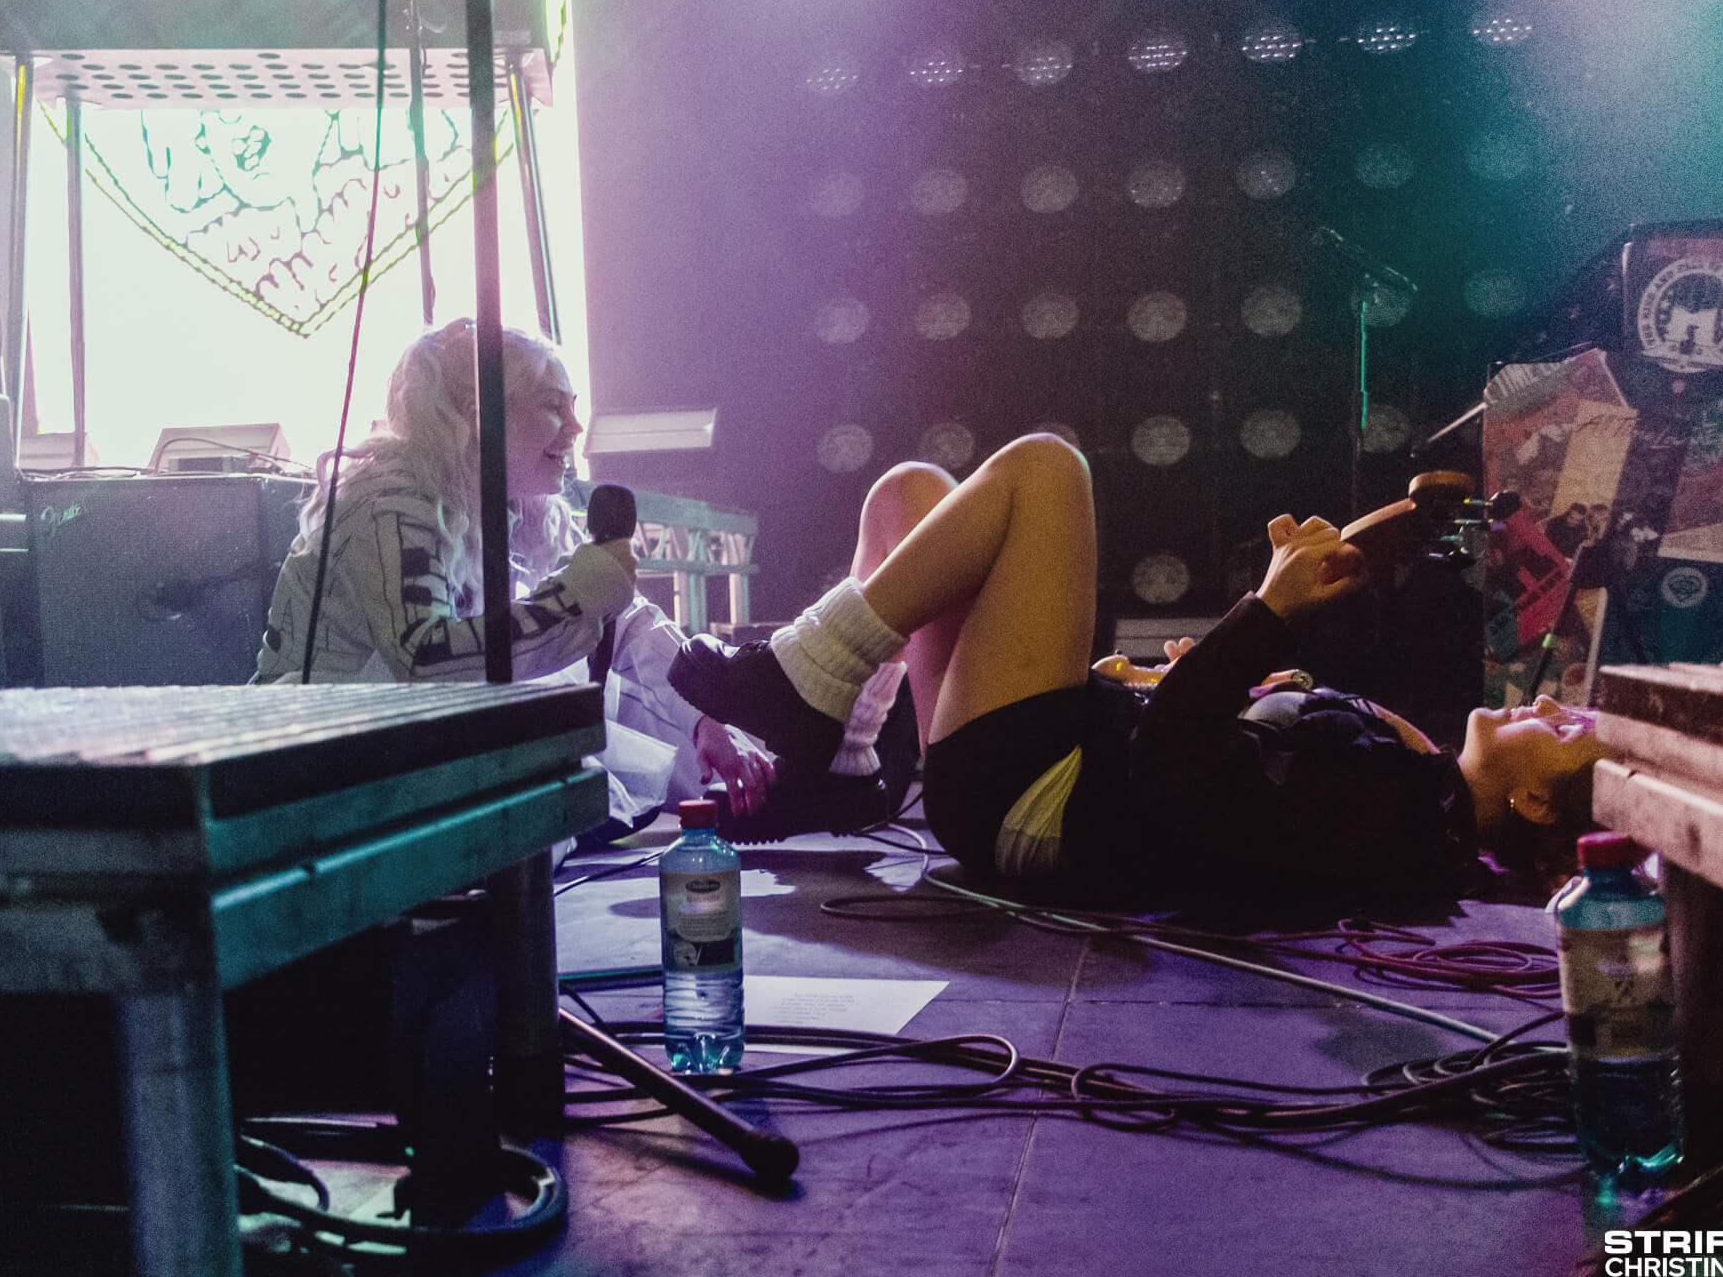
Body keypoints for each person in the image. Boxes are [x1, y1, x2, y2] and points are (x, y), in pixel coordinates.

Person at [666, 432, 1610, 906]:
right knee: (908, 497)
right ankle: (839, 768)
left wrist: (1264, 616)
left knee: (1047, 469)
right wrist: (1171, 682)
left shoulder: (1402, 820)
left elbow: (1172, 774)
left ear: (1533, 803)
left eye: (1569, 734)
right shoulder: (1410, 779)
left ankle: (806, 675)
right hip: (1054, 770)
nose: (1552, 708)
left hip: (1035, 805)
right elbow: (1218, 767)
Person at [253, 318, 776, 835]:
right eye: (553, 406)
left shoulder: (519, 505)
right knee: (560, 707)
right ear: (478, 414)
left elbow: (621, 616)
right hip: (336, 755)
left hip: (427, 735)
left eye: (573, 407)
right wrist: (573, 600)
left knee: (614, 692)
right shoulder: (392, 503)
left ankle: (753, 787)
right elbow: (424, 661)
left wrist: (703, 716)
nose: (575, 428)